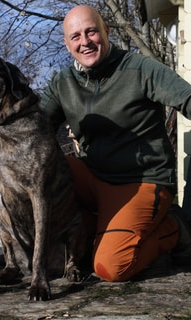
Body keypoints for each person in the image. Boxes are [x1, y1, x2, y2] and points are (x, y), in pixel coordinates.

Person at [40, 5, 191, 282]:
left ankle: (174, 230)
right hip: (93, 176)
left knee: (110, 266)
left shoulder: (139, 68)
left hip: (141, 181)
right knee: (43, 171)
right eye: (75, 36)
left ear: (106, 31)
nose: (84, 42)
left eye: (91, 32)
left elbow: (187, 97)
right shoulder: (64, 82)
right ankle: (97, 228)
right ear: (66, 43)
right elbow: (35, 127)